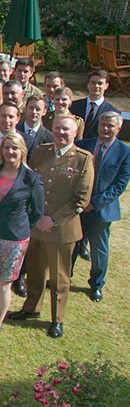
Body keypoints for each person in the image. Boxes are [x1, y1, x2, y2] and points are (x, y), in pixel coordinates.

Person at [8, 114, 93, 339]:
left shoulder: (83, 159)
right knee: (34, 270)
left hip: (61, 230)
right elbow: (28, 182)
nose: (61, 133)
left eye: (66, 130)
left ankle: (57, 319)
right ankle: (31, 308)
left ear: (75, 133)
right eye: (57, 129)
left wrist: (52, 219)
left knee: (58, 278)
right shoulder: (41, 151)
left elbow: (81, 200)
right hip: (35, 225)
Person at [0, 132, 44, 352]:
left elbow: (37, 212)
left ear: (22, 150)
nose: (10, 152)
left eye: (14, 148)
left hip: (12, 239)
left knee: (3, 284)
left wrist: (19, 225)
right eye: (6, 148)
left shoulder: (31, 179)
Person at [74, 112, 130, 302]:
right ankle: (65, 277)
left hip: (101, 211)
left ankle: (96, 284)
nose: (105, 129)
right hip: (77, 207)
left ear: (118, 128)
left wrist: (95, 203)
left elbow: (119, 185)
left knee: (99, 250)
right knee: (72, 244)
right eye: (103, 125)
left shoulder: (124, 152)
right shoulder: (83, 145)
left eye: (110, 126)